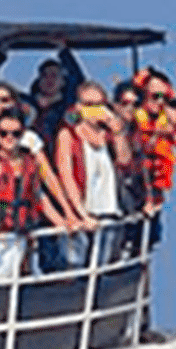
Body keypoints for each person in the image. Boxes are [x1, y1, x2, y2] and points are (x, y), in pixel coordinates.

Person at [0, 109, 72, 287]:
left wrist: (61, 221)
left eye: (16, 134)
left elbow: (38, 198)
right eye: (3, 133)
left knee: (2, 281)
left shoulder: (29, 163)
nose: (9, 138)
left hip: (17, 235)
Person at [55, 81, 132, 267]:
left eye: (99, 104)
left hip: (109, 212)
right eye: (88, 105)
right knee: (74, 267)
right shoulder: (68, 135)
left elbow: (124, 161)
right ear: (78, 107)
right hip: (83, 214)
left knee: (102, 267)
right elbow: (66, 177)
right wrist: (82, 214)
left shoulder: (108, 135)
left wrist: (118, 132)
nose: (94, 110)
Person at [125, 68, 176, 221]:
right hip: (131, 189)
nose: (161, 102)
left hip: (156, 194)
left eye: (165, 98)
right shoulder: (132, 116)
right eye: (155, 96)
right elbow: (135, 149)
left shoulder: (167, 120)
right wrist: (156, 133)